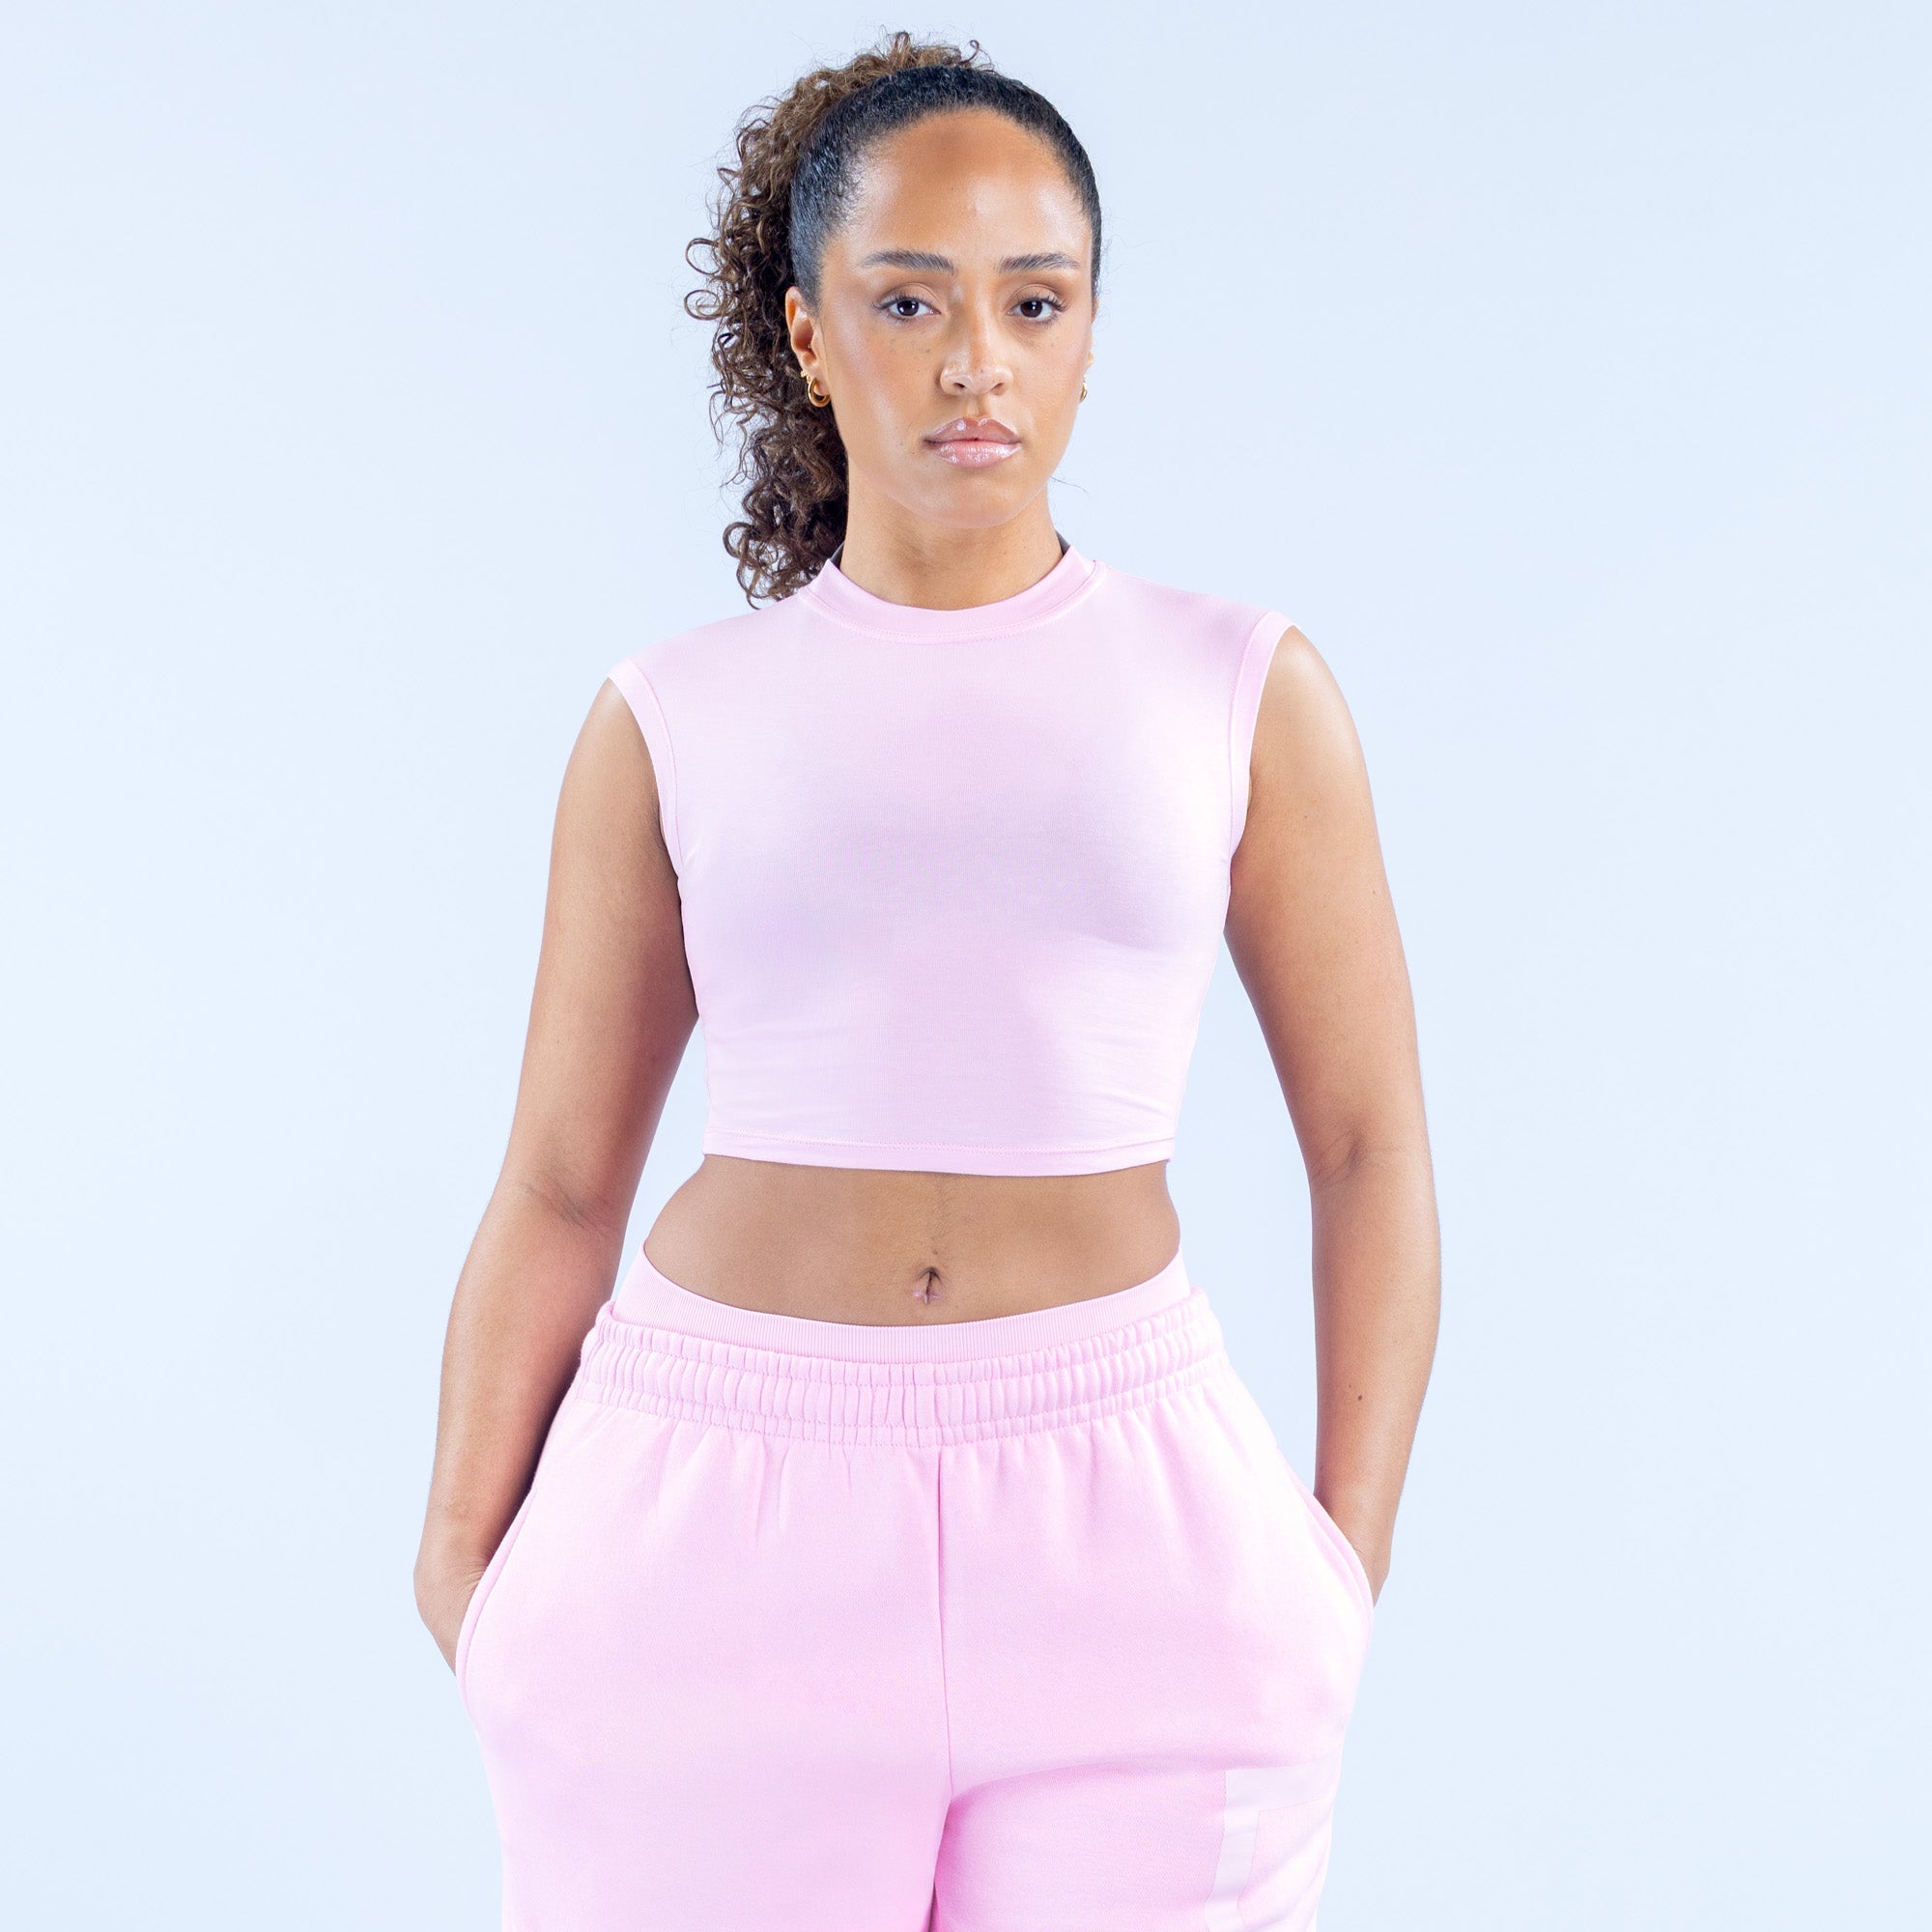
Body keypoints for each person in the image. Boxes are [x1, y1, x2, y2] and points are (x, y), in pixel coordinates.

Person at [413, 32, 1438, 1930]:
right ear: (811, 338)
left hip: (1141, 1541)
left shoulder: (1240, 688)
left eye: (1033, 302)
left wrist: (1341, 1567)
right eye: (911, 301)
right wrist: (467, 1567)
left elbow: (1371, 1147)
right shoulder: (671, 718)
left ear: (1090, 331)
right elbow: (560, 1177)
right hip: (706, 1528)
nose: (979, 361)